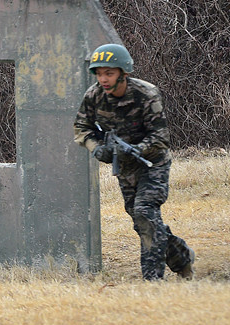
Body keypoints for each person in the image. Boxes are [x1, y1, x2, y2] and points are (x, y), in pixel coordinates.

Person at [73, 43, 194, 281]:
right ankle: (183, 259)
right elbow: (81, 128)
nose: (103, 79)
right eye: (99, 73)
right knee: (142, 221)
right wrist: (97, 149)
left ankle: (152, 281)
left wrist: (138, 149)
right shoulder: (94, 96)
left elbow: (161, 137)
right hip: (125, 169)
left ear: (123, 72)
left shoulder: (146, 94)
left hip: (152, 164)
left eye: (109, 73)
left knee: (145, 212)